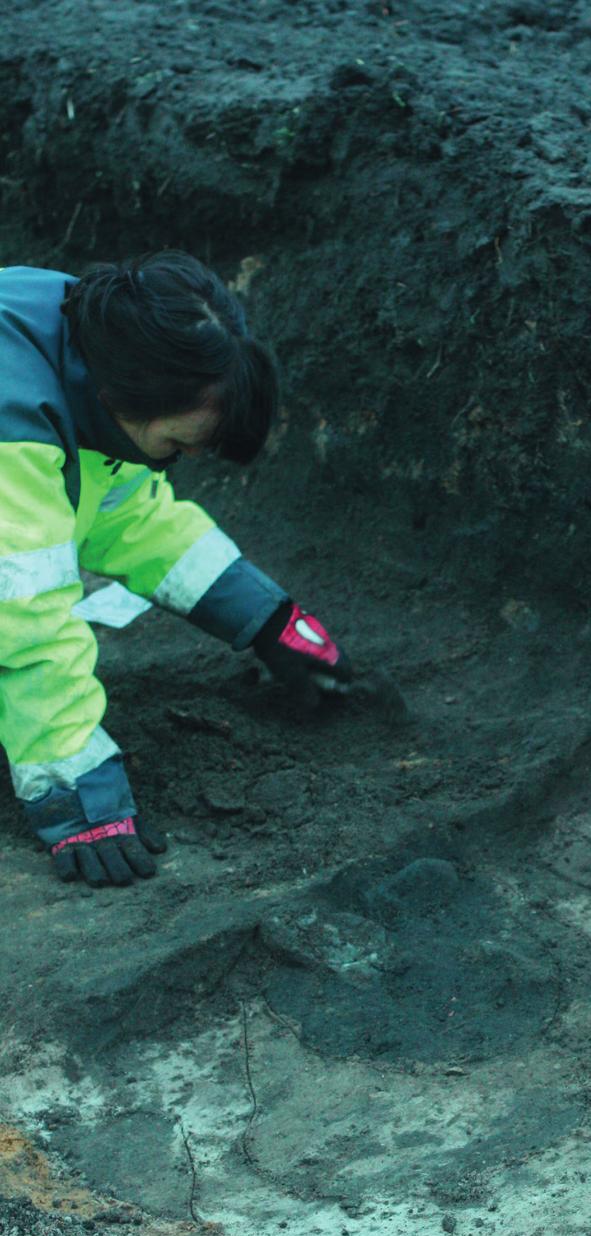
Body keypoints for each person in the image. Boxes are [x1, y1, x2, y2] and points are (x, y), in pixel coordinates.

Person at [0, 250, 353, 887]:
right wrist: (78, 790)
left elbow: (126, 516)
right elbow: (21, 614)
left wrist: (270, 620)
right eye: (176, 445)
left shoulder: (97, 343)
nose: (177, 462)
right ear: (121, 399)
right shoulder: (12, 424)